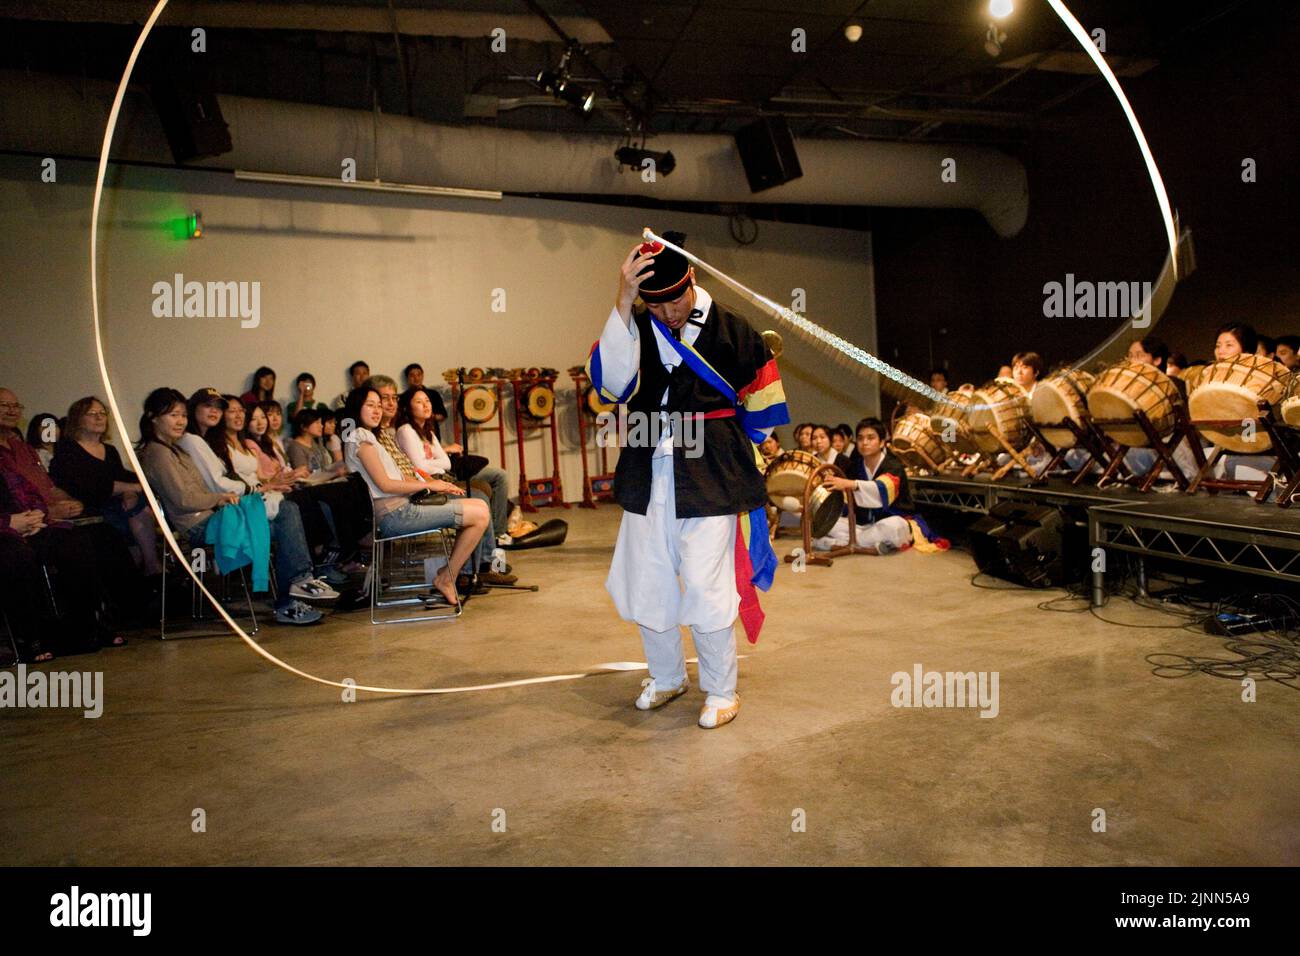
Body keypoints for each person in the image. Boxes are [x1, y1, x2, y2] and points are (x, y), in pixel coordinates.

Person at [586, 229, 789, 729]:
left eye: (673, 300)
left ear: (691, 278)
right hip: (646, 462)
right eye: (653, 304)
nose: (667, 313)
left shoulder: (736, 330)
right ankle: (667, 676)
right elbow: (612, 385)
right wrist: (624, 299)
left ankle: (721, 690)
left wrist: (745, 451)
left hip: (711, 471)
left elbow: (764, 409)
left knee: (705, 580)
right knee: (648, 578)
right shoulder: (633, 326)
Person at [138, 387, 332, 624]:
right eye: (173, 415)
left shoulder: (174, 448)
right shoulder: (158, 453)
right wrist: (219, 497)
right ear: (154, 417)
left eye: (182, 415)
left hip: (214, 517)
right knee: (285, 518)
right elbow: (184, 500)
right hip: (199, 525)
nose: (180, 421)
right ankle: (292, 593)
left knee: (288, 509)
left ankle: (296, 588)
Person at [179, 387, 341, 604]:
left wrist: (266, 485)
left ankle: (302, 580)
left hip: (238, 499)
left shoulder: (209, 440)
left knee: (298, 504)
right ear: (193, 409)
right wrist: (261, 488)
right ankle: (304, 576)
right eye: (207, 406)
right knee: (292, 506)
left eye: (218, 407)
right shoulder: (194, 440)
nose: (214, 411)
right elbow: (217, 483)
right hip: (226, 507)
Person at [0, 387, 134, 647]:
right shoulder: (68, 451)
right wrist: (13, 521)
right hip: (10, 528)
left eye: (16, 406)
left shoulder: (22, 449)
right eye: (4, 405)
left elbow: (44, 486)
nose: (12, 411)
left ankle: (88, 626)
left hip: (37, 520)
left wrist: (59, 504)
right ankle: (30, 637)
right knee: (17, 555)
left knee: (81, 541)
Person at [343, 384, 489, 606]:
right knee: (479, 514)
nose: (377, 411)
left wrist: (433, 484)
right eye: (370, 405)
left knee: (479, 505)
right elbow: (385, 484)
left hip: (401, 508)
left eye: (379, 406)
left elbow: (399, 478)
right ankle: (447, 577)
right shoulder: (361, 438)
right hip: (396, 515)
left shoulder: (369, 437)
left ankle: (447, 575)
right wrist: (429, 486)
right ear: (357, 408)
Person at [395, 387, 516, 583]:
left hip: (445, 477)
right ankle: (484, 564)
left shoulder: (428, 431)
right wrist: (436, 463)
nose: (426, 405)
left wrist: (435, 463)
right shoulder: (406, 431)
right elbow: (420, 466)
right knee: (480, 498)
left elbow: (447, 463)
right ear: (408, 408)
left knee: (493, 482)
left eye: (427, 400)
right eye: (419, 402)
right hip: (428, 485)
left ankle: (493, 548)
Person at [50, 396, 161, 577]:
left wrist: (130, 492)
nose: (99, 417)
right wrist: (133, 489)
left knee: (138, 505)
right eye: (92, 413)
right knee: (133, 516)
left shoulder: (109, 450)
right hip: (89, 510)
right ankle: (149, 567)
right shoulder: (68, 450)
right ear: (78, 418)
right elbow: (93, 486)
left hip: (117, 506)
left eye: (102, 413)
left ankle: (144, 570)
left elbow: (122, 478)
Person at [813, 418, 915, 554]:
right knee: (827, 523)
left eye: (870, 438)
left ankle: (837, 544)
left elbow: (881, 489)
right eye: (860, 438)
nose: (864, 443)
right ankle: (867, 545)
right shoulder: (854, 466)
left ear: (882, 442)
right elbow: (845, 501)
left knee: (894, 526)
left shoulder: (893, 466)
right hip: (862, 525)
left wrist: (852, 484)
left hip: (888, 521)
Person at [401, 364, 449, 441]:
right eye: (412, 375)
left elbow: (443, 415)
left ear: (423, 376)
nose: (416, 378)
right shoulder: (403, 397)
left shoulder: (433, 394)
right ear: (407, 378)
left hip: (432, 433)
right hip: (412, 435)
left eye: (419, 375)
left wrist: (430, 415)